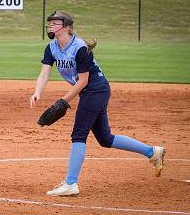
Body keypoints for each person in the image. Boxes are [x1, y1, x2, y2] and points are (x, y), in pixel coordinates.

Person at [29, 11, 166, 196]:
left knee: (79, 134)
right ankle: (152, 152)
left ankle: (71, 183)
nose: (51, 25)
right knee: (105, 138)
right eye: (50, 22)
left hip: (95, 89)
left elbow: (83, 81)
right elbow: (44, 72)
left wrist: (63, 101)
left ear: (67, 26)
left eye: (55, 22)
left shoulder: (79, 48)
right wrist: (37, 91)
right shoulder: (52, 47)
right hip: (91, 92)